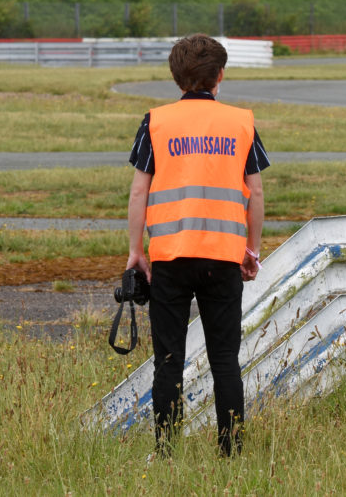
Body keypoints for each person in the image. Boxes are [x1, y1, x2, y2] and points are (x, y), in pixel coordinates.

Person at [127, 33, 270, 458]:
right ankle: (231, 452)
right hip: (225, 257)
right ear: (219, 76)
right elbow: (256, 193)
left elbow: (139, 192)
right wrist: (252, 250)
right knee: (225, 359)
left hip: (169, 258)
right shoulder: (241, 122)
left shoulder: (156, 121)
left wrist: (137, 251)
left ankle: (166, 451)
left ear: (176, 78)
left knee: (168, 361)